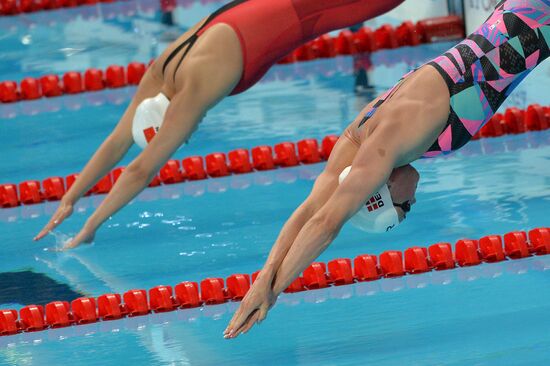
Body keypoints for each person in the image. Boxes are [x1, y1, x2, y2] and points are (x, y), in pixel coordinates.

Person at [225, 0, 550, 338]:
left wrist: (273, 292)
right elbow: (309, 209)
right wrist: (264, 279)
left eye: (405, 207)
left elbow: (325, 222)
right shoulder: (359, 133)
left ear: (382, 192)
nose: (413, 200)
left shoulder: (386, 146)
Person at [33, 0, 405, 248]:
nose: (186, 138)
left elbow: (140, 169)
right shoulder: (163, 70)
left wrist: (91, 227)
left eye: (178, 136)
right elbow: (118, 140)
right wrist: (70, 198)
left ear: (171, 120)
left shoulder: (193, 90)